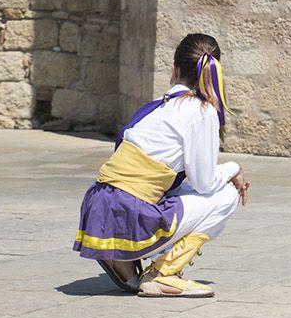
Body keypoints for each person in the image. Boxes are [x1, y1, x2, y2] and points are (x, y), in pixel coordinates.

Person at [73, 33, 248, 298]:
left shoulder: (158, 106)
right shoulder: (200, 111)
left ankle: (122, 260)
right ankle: (163, 273)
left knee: (186, 190)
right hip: (130, 214)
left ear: (175, 69)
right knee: (226, 195)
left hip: (99, 207)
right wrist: (233, 168)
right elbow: (205, 182)